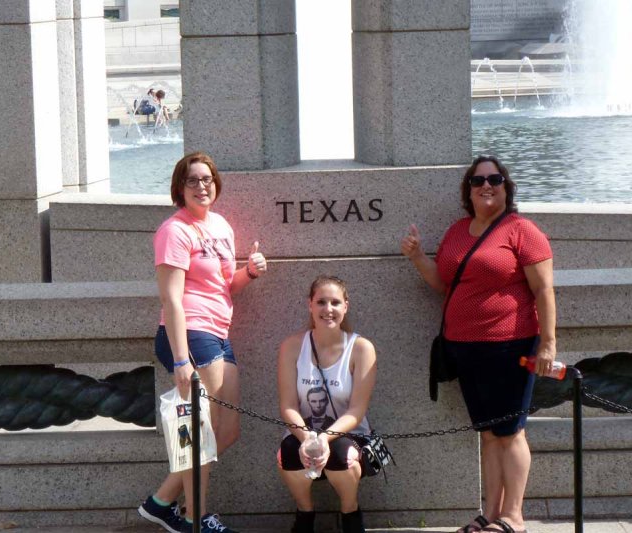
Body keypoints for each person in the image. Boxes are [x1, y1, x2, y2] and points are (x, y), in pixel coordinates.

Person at [400, 155, 556, 533]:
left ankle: (514, 517)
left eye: (495, 179)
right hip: (465, 347)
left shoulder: (521, 230)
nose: (486, 185)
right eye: (477, 180)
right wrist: (419, 257)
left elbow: (543, 289)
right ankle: (490, 513)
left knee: (511, 431)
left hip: (511, 344)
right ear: (467, 190)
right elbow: (444, 285)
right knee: (488, 431)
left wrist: (548, 345)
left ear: (507, 187)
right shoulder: (456, 232)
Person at [137, 151, 267, 533]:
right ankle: (193, 519)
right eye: (192, 180)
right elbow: (171, 298)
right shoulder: (174, 231)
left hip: (217, 333)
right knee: (202, 432)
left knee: (227, 431)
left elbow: (227, 286)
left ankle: (161, 502)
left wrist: (250, 272)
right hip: (189, 335)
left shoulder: (222, 226)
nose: (201, 186)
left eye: (207, 179)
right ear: (179, 188)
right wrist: (180, 360)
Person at [276, 275, 377, 533]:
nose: (328, 309)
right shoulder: (291, 346)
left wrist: (325, 439)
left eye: (335, 302)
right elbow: (288, 405)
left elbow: (357, 410)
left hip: (349, 434)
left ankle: (350, 513)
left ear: (346, 306)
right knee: (286, 453)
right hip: (304, 430)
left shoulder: (362, 348)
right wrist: (308, 437)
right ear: (310, 305)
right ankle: (305, 515)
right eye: (321, 302)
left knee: (343, 455)